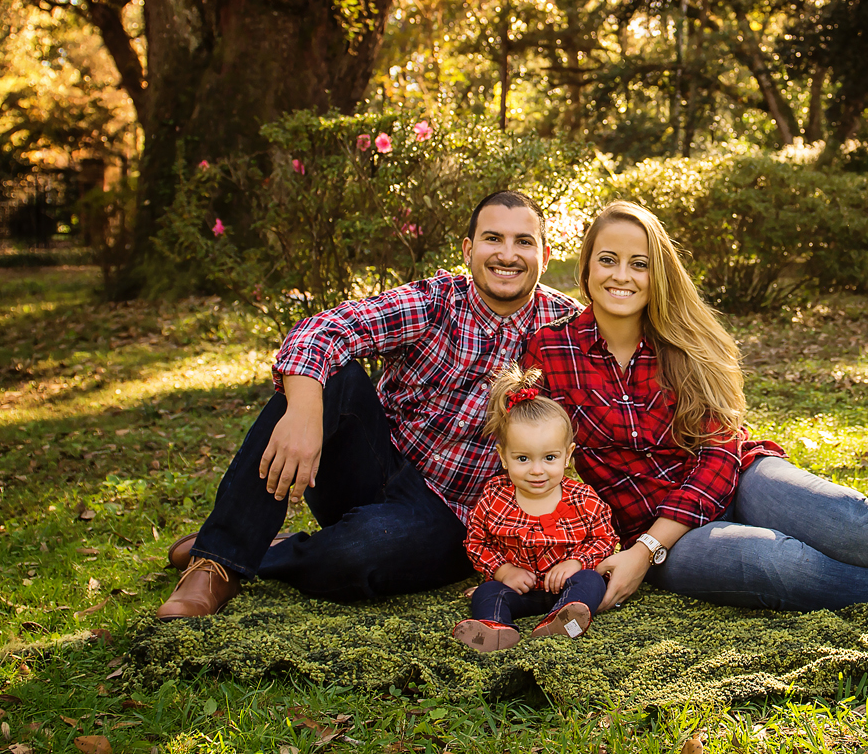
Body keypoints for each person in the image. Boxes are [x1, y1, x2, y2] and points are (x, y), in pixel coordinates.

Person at [524, 199, 868, 613]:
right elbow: (533, 440)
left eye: (639, 263)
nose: (622, 275)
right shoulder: (551, 350)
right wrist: (641, 550)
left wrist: (643, 553)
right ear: (585, 271)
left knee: (846, 517)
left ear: (657, 274)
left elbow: (719, 451)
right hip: (659, 531)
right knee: (773, 561)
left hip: (736, 478)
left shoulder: (686, 342)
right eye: (608, 260)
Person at [155, 190, 579, 618]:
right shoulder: (435, 302)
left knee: (359, 553)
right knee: (331, 378)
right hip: (378, 464)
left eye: (523, 242)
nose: (507, 254)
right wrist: (303, 412)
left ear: (544, 255)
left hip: (454, 516)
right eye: (493, 239)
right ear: (468, 250)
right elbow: (324, 329)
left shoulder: (567, 329)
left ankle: (264, 548)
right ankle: (216, 563)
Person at [451, 366, 617, 652]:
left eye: (549, 457)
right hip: (518, 590)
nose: (537, 471)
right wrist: (503, 571)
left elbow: (604, 540)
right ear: (503, 457)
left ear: (568, 456)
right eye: (523, 458)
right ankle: (495, 628)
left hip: (567, 588)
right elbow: (477, 542)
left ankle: (563, 620)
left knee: (591, 581)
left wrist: (575, 563)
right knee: (489, 592)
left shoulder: (583, 499)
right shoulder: (494, 499)